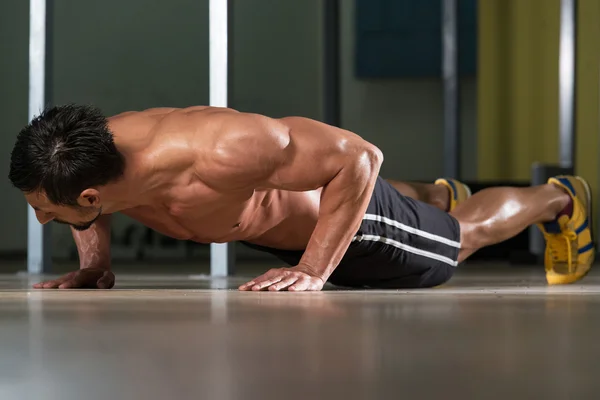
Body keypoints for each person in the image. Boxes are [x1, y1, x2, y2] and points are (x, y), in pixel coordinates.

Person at [8, 104, 594, 291]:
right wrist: (96, 266)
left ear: (86, 196)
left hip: (352, 228)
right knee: (431, 208)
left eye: (46, 212)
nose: (42, 220)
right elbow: (85, 208)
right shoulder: (90, 156)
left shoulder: (221, 149)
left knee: (459, 242)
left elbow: (359, 159)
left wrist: (314, 269)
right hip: (288, 218)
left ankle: (558, 198)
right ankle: (436, 193)